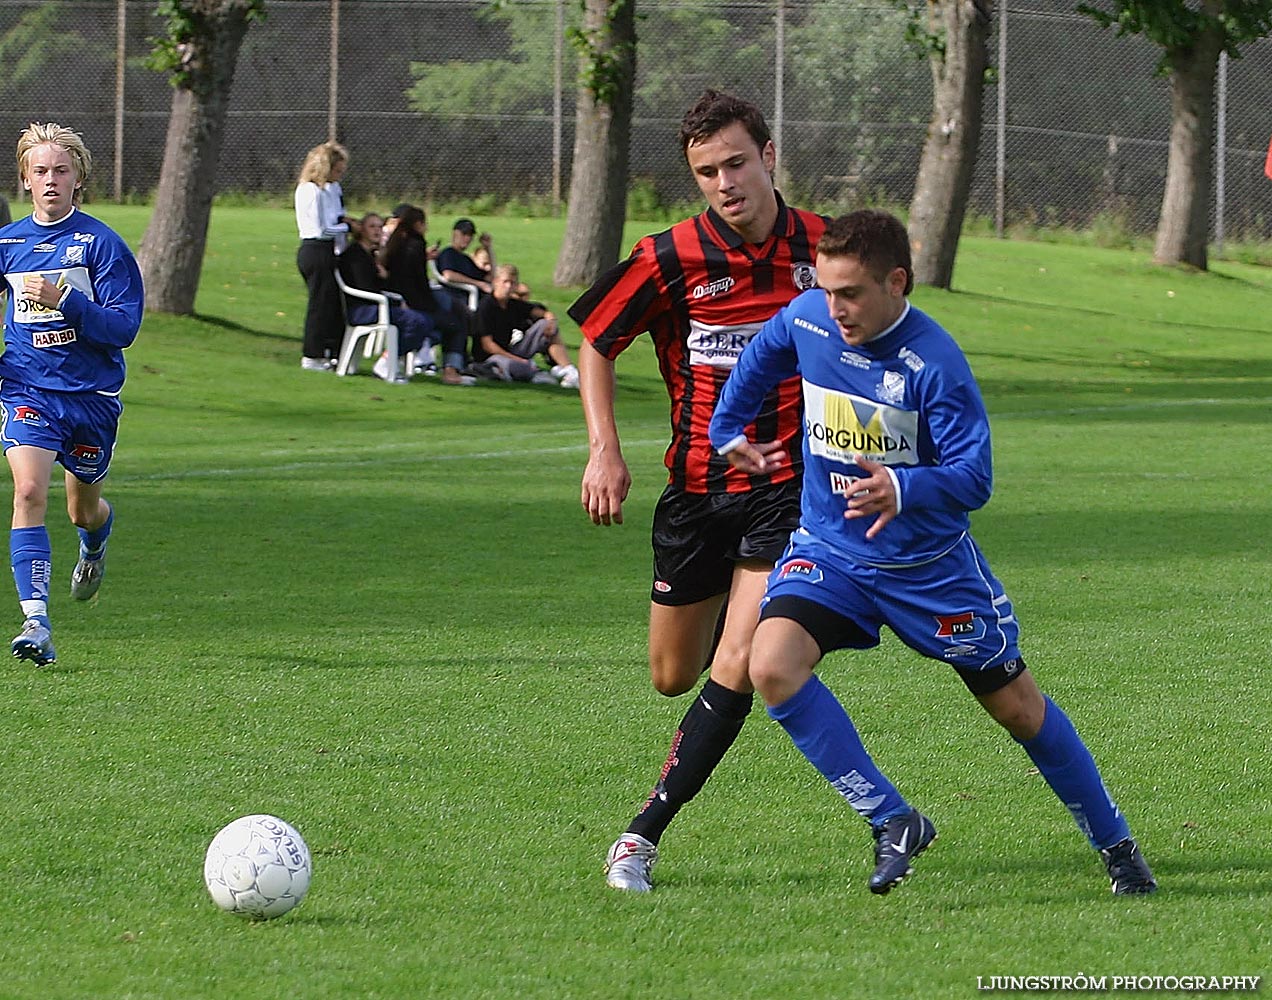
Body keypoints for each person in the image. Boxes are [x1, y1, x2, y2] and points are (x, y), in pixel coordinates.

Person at [708, 208, 1157, 897]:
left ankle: (1116, 843)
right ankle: (894, 819)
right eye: (827, 290)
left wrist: (904, 487)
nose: (836, 308)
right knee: (771, 666)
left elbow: (975, 477)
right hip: (832, 556)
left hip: (930, 574)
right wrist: (725, 428)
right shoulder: (809, 319)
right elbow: (765, 352)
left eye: (851, 293)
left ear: (897, 282)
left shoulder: (934, 363)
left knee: (1018, 710)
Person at [567, 89, 828, 892]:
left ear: (770, 155)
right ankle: (747, 634)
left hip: (787, 490)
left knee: (742, 664)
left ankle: (641, 836)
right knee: (673, 674)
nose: (724, 183)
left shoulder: (823, 247)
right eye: (707, 171)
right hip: (694, 494)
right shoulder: (668, 257)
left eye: (737, 163)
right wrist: (604, 449)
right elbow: (595, 341)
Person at [0, 122, 144, 667]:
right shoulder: (9, 244)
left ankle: (94, 544)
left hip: (91, 395)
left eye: (61, 170)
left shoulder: (102, 245)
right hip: (27, 388)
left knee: (81, 510)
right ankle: (36, 621)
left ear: (79, 177)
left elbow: (123, 329)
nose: (51, 180)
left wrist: (67, 302)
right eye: (40, 171)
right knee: (29, 492)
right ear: (25, 178)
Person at [337, 212, 435, 383]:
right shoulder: (355, 255)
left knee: (425, 320)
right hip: (361, 309)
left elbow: (378, 286)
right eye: (372, 227)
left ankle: (389, 360)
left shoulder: (370, 254)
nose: (377, 231)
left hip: (375, 305)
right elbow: (364, 288)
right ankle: (386, 362)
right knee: (416, 321)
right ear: (362, 230)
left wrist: (385, 277)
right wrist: (395, 301)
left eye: (380, 227)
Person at [381, 204, 473, 386]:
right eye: (424, 224)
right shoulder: (415, 245)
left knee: (450, 312)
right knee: (455, 323)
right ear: (417, 224)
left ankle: (428, 359)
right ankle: (451, 369)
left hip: (401, 299)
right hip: (414, 303)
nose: (426, 228)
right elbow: (416, 282)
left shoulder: (397, 244)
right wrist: (430, 304)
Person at [294, 142, 350, 371]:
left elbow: (337, 217)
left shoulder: (332, 189)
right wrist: (348, 227)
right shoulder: (309, 190)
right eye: (336, 170)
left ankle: (331, 349)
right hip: (315, 249)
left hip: (329, 250)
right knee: (319, 304)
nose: (339, 176)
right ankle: (311, 354)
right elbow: (321, 229)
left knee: (333, 303)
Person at [475, 264, 578, 386]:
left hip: (510, 351)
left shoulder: (513, 304)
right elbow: (487, 345)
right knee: (515, 365)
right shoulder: (486, 306)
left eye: (512, 283)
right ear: (496, 282)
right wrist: (516, 359)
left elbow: (542, 313)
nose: (508, 286)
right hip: (491, 357)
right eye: (505, 282)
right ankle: (534, 373)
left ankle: (569, 370)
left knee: (544, 325)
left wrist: (551, 321)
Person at [436, 218, 493, 298]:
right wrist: (478, 284)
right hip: (460, 298)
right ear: (455, 234)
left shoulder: (466, 259)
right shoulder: (448, 253)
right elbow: (449, 275)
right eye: (464, 234)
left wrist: (488, 248)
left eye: (470, 235)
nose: (467, 238)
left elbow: (490, 277)